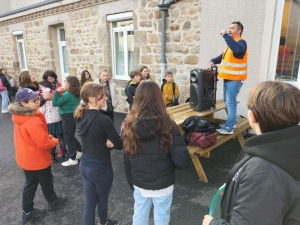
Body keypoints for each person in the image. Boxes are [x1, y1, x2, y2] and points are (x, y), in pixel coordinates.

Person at [202, 81, 300, 225]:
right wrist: (235, 187)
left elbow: (264, 185)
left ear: (252, 116)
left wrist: (211, 223)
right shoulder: (283, 148)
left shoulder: (263, 174)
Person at [123, 80, 190, 225]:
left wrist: (132, 182)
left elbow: (127, 158)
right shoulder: (169, 124)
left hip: (140, 182)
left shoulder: (129, 124)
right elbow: (182, 162)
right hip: (163, 183)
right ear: (158, 98)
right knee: (162, 217)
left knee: (139, 215)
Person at [8, 88, 67, 225]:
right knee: (45, 180)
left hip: (26, 157)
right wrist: (55, 140)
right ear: (23, 104)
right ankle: (51, 202)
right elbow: (43, 143)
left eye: (37, 98)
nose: (37, 101)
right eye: (34, 100)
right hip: (36, 159)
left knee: (31, 183)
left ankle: (29, 210)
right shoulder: (32, 120)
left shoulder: (20, 117)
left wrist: (46, 138)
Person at [74, 82, 123, 225]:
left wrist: (107, 142)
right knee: (102, 200)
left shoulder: (80, 115)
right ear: (91, 98)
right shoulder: (104, 120)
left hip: (85, 166)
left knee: (89, 204)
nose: (106, 98)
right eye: (103, 96)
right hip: (101, 167)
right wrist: (111, 143)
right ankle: (104, 222)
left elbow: (93, 138)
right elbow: (120, 145)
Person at [208, 21, 248, 135]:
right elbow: (222, 57)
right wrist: (213, 60)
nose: (229, 30)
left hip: (235, 79)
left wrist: (225, 35)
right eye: (229, 28)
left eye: (232, 28)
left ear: (239, 31)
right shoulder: (231, 44)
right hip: (229, 78)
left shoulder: (241, 43)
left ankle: (229, 127)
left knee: (230, 103)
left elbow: (238, 50)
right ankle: (232, 122)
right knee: (228, 101)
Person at [52, 76, 81, 167]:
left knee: (68, 138)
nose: (64, 82)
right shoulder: (76, 93)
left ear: (69, 83)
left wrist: (56, 92)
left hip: (66, 116)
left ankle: (72, 158)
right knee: (70, 135)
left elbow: (55, 103)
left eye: (65, 81)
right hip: (72, 115)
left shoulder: (67, 94)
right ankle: (79, 150)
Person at [39, 80, 66, 160]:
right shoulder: (54, 96)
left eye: (41, 87)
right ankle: (64, 153)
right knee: (60, 137)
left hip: (49, 122)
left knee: (51, 139)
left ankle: (53, 156)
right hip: (58, 120)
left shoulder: (44, 100)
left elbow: (41, 111)